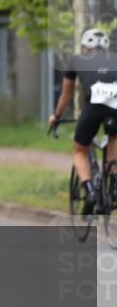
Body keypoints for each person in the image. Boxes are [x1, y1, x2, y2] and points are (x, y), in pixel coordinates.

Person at [49, 28, 117, 208]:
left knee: (79, 150)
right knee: (114, 137)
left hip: (93, 108)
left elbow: (66, 95)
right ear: (106, 48)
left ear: (85, 47)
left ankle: (89, 190)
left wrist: (56, 116)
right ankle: (115, 184)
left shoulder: (76, 60)